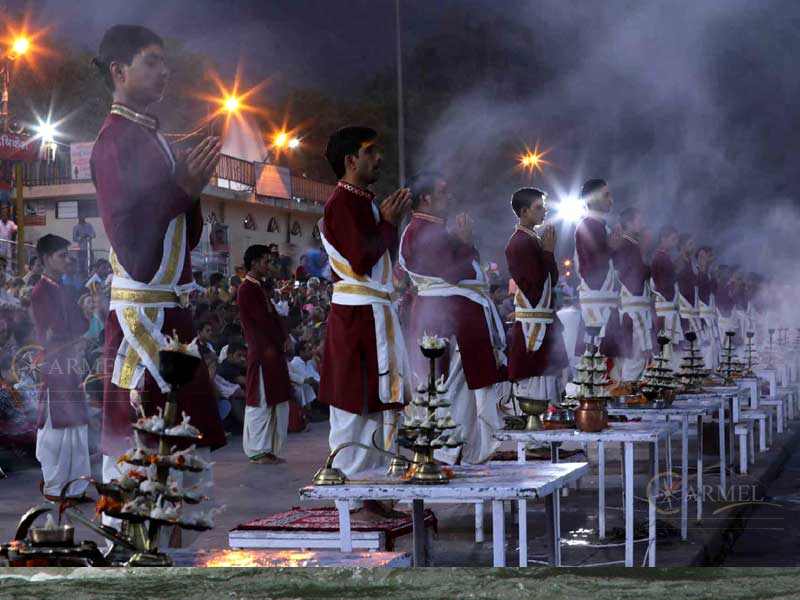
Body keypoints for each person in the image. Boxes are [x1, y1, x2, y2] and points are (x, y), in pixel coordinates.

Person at [90, 25, 225, 515]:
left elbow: (182, 241)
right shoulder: (113, 142)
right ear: (119, 71)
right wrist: (183, 190)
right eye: (151, 61)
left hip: (169, 315)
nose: (165, 71)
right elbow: (137, 256)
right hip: (140, 321)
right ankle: (138, 563)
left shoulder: (155, 139)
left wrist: (190, 190)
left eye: (165, 61)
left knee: (181, 458)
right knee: (140, 459)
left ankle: (169, 561)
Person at [318, 126, 411, 492]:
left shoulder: (364, 200)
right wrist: (388, 225)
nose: (379, 158)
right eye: (371, 151)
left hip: (372, 314)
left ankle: (379, 485)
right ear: (350, 161)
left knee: (377, 403)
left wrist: (386, 223)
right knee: (356, 406)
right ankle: (355, 493)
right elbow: (360, 259)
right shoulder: (342, 202)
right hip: (357, 318)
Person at [399, 172, 505, 464]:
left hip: (454, 316)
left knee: (462, 390)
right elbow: (454, 271)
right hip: (444, 319)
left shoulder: (433, 229)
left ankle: (467, 450)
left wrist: (462, 242)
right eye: (443, 192)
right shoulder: (420, 230)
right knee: (452, 390)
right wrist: (466, 243)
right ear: (426, 198)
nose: (450, 198)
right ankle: (449, 453)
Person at [30, 234, 91, 502]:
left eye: (68, 255)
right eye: (61, 256)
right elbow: (50, 333)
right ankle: (56, 486)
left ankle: (75, 486)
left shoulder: (62, 288)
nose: (67, 260)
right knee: (56, 431)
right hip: (56, 366)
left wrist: (87, 315)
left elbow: (79, 325)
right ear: (45, 259)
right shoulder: (40, 291)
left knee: (76, 428)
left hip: (70, 365)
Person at [504, 188, 568, 406]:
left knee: (549, 386)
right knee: (535, 389)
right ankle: (535, 438)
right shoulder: (519, 242)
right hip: (533, 325)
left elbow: (553, 279)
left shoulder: (533, 240)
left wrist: (548, 253)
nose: (545, 211)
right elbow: (536, 285)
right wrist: (548, 253)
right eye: (538, 208)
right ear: (524, 212)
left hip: (543, 320)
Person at [237, 244, 291, 464]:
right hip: (262, 353)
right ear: (254, 262)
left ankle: (269, 449)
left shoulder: (259, 287)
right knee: (260, 400)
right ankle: (258, 450)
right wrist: (278, 340)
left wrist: (284, 339)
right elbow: (261, 322)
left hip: (272, 352)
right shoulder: (246, 290)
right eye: (266, 261)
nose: (269, 266)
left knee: (275, 401)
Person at [574, 179, 623, 377]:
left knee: (611, 372)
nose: (611, 200)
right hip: (596, 313)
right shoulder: (586, 226)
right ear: (592, 199)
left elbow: (614, 268)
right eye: (606, 195)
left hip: (607, 308)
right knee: (596, 373)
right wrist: (611, 248)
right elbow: (592, 273)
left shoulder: (604, 228)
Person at [612, 207, 654, 381]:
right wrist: (647, 269)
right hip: (634, 306)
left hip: (637, 306)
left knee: (640, 358)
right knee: (635, 358)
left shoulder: (631, 245)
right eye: (638, 220)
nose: (642, 224)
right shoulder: (626, 246)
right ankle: (627, 396)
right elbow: (633, 275)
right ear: (629, 223)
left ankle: (632, 395)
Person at [651, 226, 682, 365]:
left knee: (669, 350)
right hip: (665, 308)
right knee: (665, 349)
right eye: (673, 239)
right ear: (663, 238)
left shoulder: (665, 257)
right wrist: (675, 273)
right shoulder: (660, 257)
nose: (675, 243)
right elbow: (663, 285)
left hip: (669, 307)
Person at [696, 246, 719, 369]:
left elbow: (714, 291)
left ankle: (712, 373)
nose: (711, 259)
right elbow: (702, 292)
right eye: (707, 257)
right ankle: (706, 374)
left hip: (711, 315)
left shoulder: (708, 274)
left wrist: (714, 275)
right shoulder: (697, 273)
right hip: (702, 315)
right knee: (706, 348)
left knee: (714, 348)